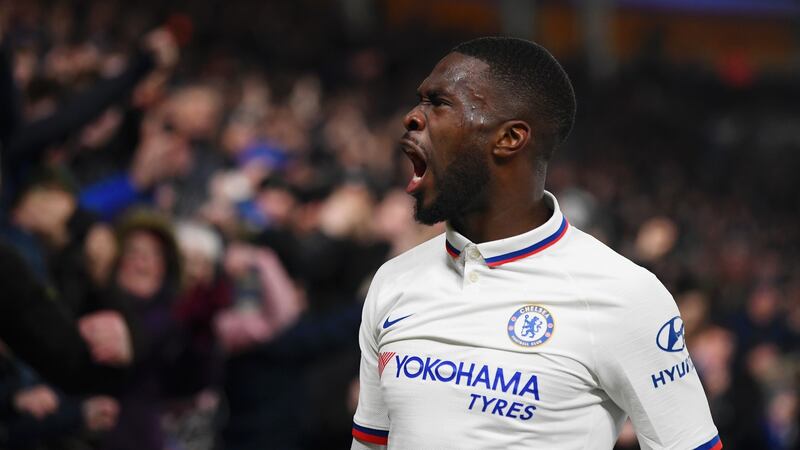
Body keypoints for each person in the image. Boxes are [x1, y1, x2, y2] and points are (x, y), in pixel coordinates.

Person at [351, 37, 721, 450]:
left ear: (510, 138)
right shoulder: (393, 282)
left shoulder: (624, 294)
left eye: (438, 103)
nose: (411, 118)